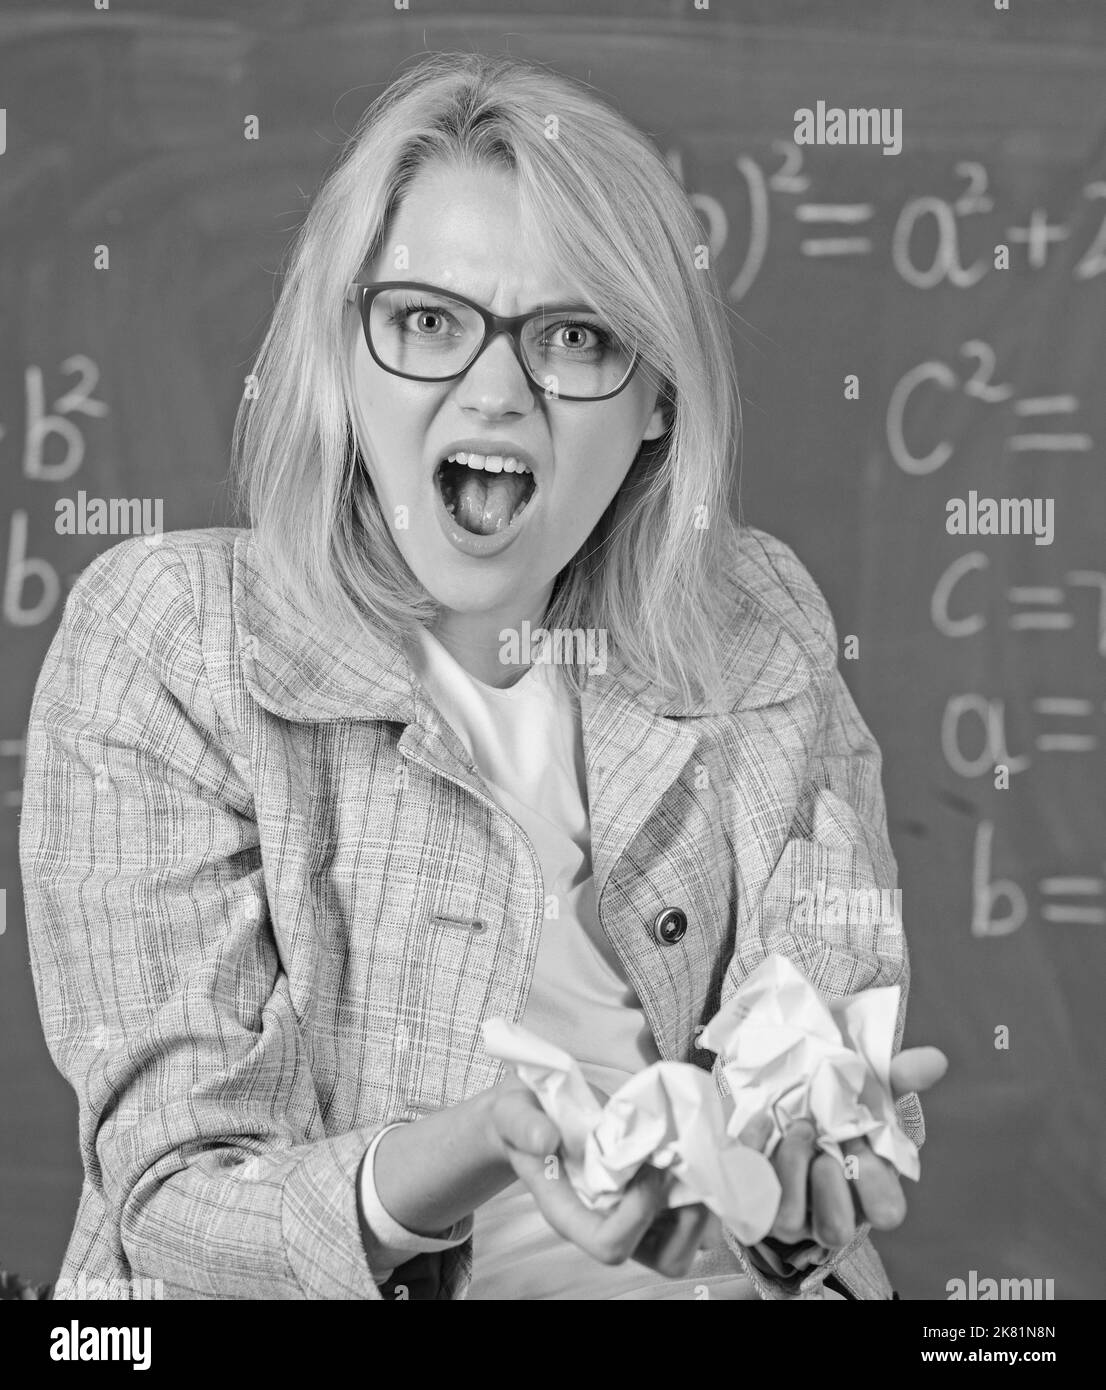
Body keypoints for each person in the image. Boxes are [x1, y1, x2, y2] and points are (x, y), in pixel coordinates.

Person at [20, 50, 946, 1301]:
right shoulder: (173, 637)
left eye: (571, 336)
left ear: (657, 400)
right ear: (343, 357)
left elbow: (817, 994)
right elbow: (174, 1199)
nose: (496, 389)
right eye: (425, 322)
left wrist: (790, 1164)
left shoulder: (747, 618)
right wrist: (475, 1143)